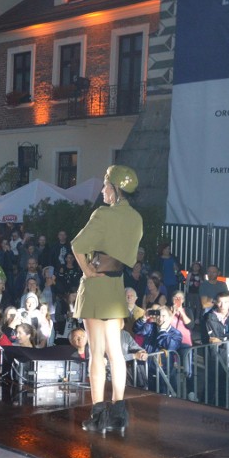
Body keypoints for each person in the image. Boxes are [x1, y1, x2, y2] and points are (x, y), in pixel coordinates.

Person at [71, 165, 143, 435]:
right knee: (116, 354)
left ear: (116, 190)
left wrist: (88, 271)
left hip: (97, 286)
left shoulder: (102, 214)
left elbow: (77, 245)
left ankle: (98, 414)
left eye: (105, 186)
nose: (102, 190)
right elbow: (130, 256)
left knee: (96, 355)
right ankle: (119, 412)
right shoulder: (136, 219)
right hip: (116, 286)